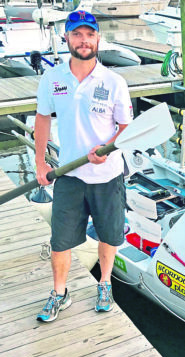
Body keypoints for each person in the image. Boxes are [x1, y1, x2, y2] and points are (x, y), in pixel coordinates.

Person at [34, 10, 133, 322]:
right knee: (60, 240)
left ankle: (104, 284)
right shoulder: (52, 78)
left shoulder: (114, 81)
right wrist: (40, 164)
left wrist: (106, 149)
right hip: (69, 175)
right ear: (67, 38)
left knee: (108, 235)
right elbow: (41, 119)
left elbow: (125, 129)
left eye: (90, 34)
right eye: (77, 34)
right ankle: (59, 293)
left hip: (108, 175)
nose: (84, 40)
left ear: (98, 38)